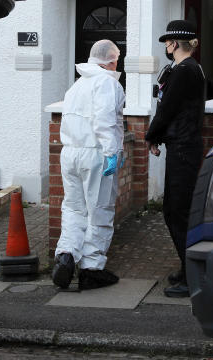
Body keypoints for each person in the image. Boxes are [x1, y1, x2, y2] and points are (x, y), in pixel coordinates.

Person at [52, 39, 126, 291]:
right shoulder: (107, 83)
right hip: (95, 154)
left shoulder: (78, 85)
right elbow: (105, 121)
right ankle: (91, 268)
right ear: (112, 60)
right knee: (100, 210)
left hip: (70, 152)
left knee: (74, 208)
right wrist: (112, 152)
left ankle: (66, 254)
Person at [146, 19, 206, 298]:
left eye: (166, 43)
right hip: (183, 147)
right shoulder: (188, 69)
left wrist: (151, 136)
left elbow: (167, 108)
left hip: (183, 148)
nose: (166, 47)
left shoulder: (184, 71)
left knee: (177, 212)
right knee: (177, 211)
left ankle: (193, 276)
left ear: (173, 44)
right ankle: (187, 268)